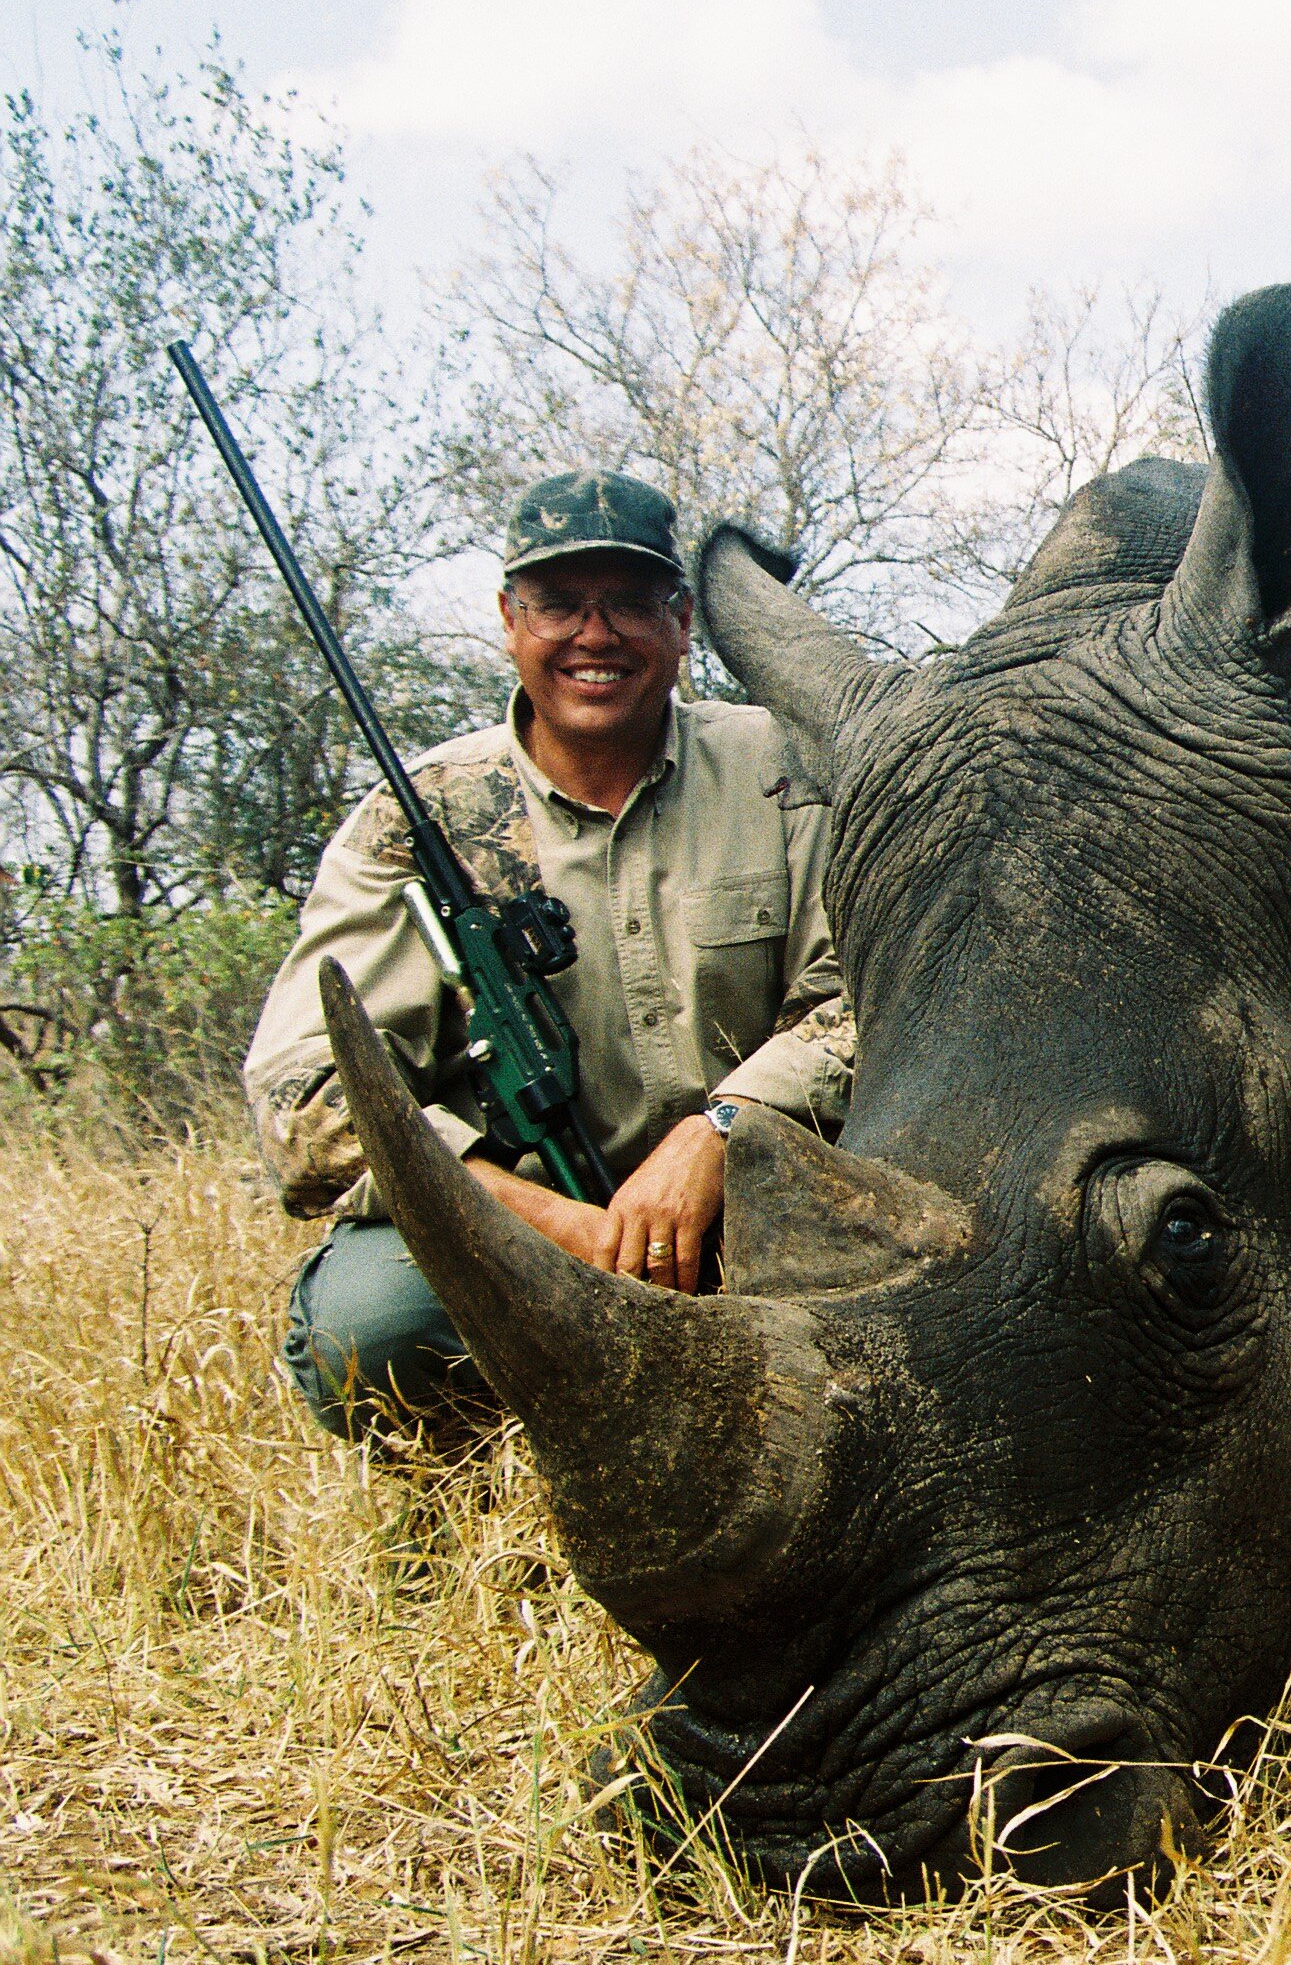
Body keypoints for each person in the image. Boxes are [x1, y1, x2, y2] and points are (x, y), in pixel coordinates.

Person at [245, 471, 853, 1444]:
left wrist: (725, 1129)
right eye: (561, 603)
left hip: (768, 1209)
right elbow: (305, 1101)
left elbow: (871, 989)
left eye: (628, 602)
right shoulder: (416, 819)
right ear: (509, 618)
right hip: (527, 1245)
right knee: (364, 1328)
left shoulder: (788, 771)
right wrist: (553, 1224)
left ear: (684, 619)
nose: (595, 634)